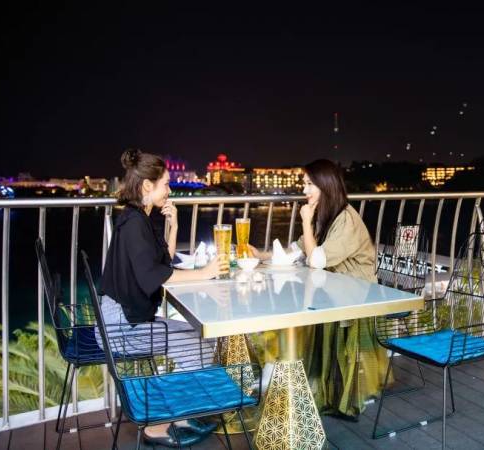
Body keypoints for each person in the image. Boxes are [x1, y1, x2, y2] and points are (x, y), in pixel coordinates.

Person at [98, 149, 229, 447]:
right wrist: (205, 273)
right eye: (166, 184)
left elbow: (162, 264)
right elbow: (152, 277)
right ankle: (157, 425)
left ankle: (177, 414)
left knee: (198, 337)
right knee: (196, 343)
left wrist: (175, 226)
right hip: (122, 327)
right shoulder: (134, 223)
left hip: (126, 318)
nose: (170, 190)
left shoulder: (140, 217)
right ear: (148, 185)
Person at [251, 159, 387, 419]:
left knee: (293, 309)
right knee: (292, 306)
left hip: (355, 294)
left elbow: (316, 260)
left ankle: (284, 376)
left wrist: (305, 220)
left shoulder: (345, 219)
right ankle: (284, 376)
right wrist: (261, 255)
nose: (305, 190)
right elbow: (298, 248)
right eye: (304, 184)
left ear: (325, 185)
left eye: (309, 184)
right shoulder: (327, 215)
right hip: (332, 290)